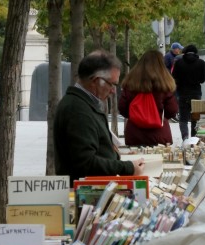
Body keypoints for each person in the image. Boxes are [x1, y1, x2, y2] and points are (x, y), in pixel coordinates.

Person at [53, 50, 144, 186]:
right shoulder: (77, 110)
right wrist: (128, 168)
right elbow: (86, 163)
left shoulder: (82, 104)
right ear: (96, 81)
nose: (114, 90)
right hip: (86, 194)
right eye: (112, 84)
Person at [118, 49, 179, 146]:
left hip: (134, 134)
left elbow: (122, 108)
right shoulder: (165, 86)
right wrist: (158, 116)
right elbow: (172, 110)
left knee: (136, 160)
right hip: (159, 134)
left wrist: (136, 116)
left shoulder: (129, 84)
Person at [172, 44, 205, 144]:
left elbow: (174, 77)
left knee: (183, 118)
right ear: (195, 52)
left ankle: (185, 138)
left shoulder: (179, 63)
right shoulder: (201, 63)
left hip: (182, 93)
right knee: (195, 118)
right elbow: (202, 80)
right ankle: (194, 139)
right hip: (196, 93)